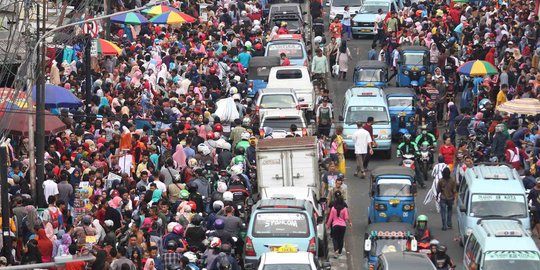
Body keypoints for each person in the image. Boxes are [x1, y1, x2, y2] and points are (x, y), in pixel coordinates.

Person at [326, 191, 351, 258]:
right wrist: (349, 222)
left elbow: (330, 218)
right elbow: (346, 217)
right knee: (341, 239)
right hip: (343, 226)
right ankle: (340, 252)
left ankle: (336, 250)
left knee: (335, 239)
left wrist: (328, 225)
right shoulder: (344, 208)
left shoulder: (333, 208)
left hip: (335, 226)